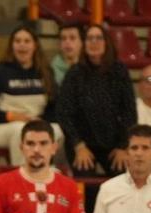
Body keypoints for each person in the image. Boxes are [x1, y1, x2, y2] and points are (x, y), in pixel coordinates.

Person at [57, 24, 137, 178]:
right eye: (89, 38)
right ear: (84, 43)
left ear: (107, 42)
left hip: (113, 142)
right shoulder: (74, 73)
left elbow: (129, 112)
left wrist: (122, 146)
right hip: (81, 143)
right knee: (85, 177)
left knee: (122, 179)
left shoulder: (119, 70)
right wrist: (78, 145)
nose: (94, 42)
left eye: (98, 38)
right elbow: (64, 114)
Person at [0, 26, 61, 166]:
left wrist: (41, 120)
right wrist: (12, 116)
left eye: (27, 41)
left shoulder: (45, 72)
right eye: (17, 41)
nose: (22, 45)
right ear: (12, 45)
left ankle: (52, 174)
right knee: (22, 131)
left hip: (37, 124)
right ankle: (23, 176)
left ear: (35, 45)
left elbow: (54, 106)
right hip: (2, 127)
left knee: (59, 131)